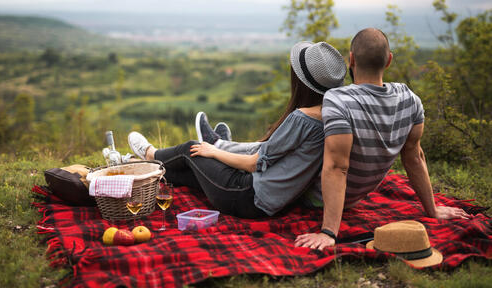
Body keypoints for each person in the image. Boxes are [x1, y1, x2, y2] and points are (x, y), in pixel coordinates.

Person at [294, 28, 470, 251]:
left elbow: (337, 167)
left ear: (351, 59)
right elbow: (415, 157)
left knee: (250, 164)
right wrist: (432, 210)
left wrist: (329, 232)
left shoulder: (338, 100)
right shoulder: (410, 99)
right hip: (355, 198)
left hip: (311, 197)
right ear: (389, 60)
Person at [127, 41, 347, 219]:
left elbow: (254, 164)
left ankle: (149, 155)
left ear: (300, 82)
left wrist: (214, 151)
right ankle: (136, 169)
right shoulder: (334, 116)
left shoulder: (303, 119)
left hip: (248, 198)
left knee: (191, 149)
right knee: (188, 172)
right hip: (273, 200)